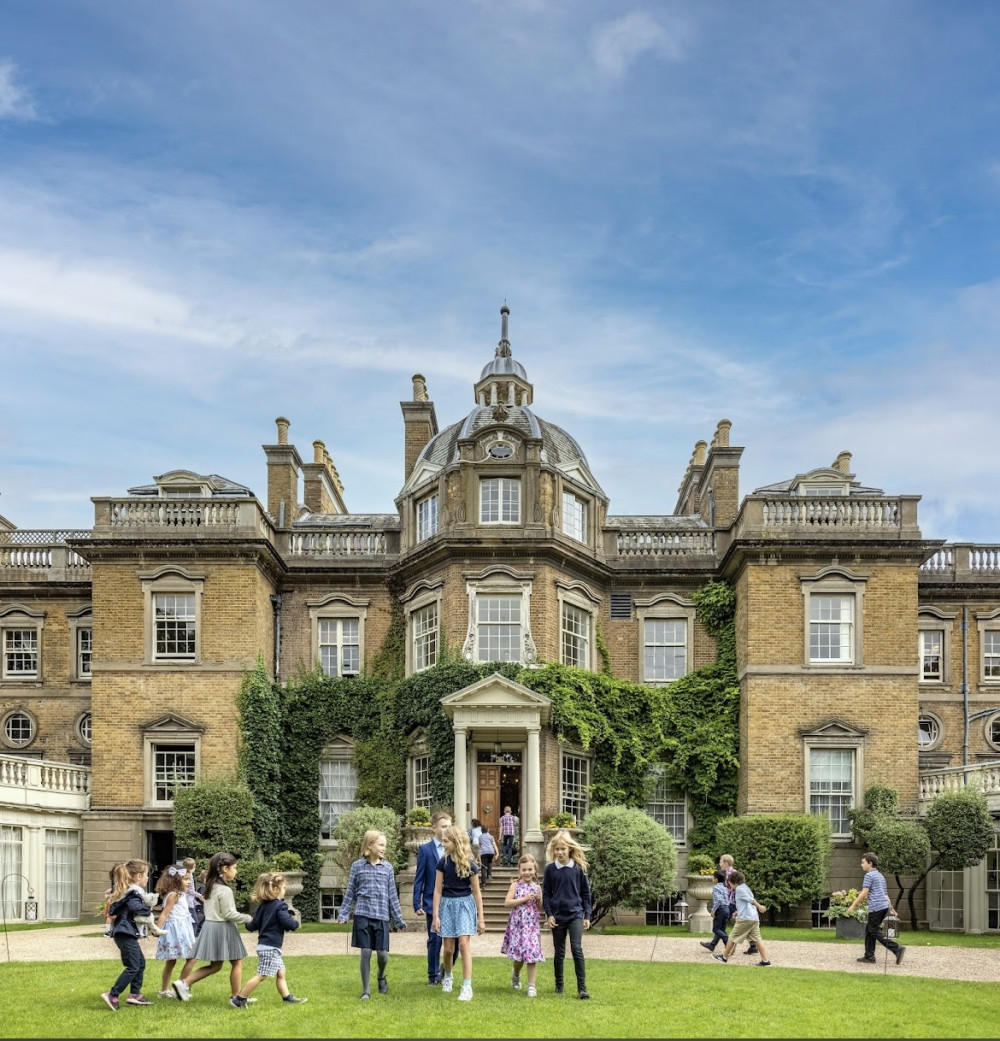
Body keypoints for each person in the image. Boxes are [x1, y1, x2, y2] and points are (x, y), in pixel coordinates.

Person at [172, 852, 252, 1002]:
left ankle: (184, 983)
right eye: (234, 867)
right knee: (237, 961)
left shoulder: (211, 885)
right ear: (224, 869)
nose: (236, 871)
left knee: (216, 966)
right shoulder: (225, 890)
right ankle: (237, 997)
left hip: (211, 926)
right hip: (223, 928)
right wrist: (248, 918)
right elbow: (229, 913)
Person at [338, 830, 407, 1000]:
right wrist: (344, 913)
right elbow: (351, 892)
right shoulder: (357, 866)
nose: (384, 848)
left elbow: (392, 895)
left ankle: (381, 976)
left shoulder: (388, 868)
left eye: (385, 845)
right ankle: (366, 990)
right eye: (381, 845)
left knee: (383, 955)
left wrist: (398, 919)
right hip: (362, 915)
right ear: (370, 846)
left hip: (382, 917)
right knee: (366, 952)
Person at [231, 871, 307, 1007]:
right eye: (283, 888)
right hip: (271, 947)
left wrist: (248, 923)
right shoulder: (280, 905)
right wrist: (294, 922)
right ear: (276, 889)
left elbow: (252, 925)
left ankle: (287, 997)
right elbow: (287, 923)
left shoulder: (262, 906)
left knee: (281, 972)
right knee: (262, 975)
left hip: (264, 946)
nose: (284, 890)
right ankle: (240, 999)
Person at [432, 823, 487, 1001]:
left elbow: (477, 892)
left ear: (456, 841)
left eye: (446, 840)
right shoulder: (443, 862)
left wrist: (481, 919)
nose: (444, 843)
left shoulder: (471, 864)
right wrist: (435, 916)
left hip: (464, 904)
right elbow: (437, 890)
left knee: (463, 944)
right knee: (448, 949)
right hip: (446, 905)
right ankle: (448, 975)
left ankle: (467, 986)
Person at [542, 829, 591, 999]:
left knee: (577, 949)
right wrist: (549, 914)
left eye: (563, 849)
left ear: (569, 849)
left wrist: (587, 916)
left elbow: (585, 894)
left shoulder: (578, 869)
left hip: (575, 914)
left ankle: (582, 988)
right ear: (553, 851)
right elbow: (546, 894)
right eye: (557, 849)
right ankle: (559, 985)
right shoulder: (550, 870)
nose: (560, 852)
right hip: (557, 916)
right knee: (559, 952)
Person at [101, 859, 155, 1011]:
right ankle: (112, 994)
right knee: (133, 966)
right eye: (146, 875)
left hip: (126, 933)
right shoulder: (133, 893)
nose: (147, 878)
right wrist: (148, 909)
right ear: (138, 876)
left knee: (140, 963)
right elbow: (135, 907)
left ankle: (135, 995)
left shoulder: (130, 891)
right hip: (125, 933)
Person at [845, 852, 905, 966]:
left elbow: (864, 893)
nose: (861, 865)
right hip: (883, 907)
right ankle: (869, 956)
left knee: (873, 931)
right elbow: (885, 895)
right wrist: (891, 908)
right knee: (869, 930)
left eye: (863, 862)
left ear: (870, 863)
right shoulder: (880, 875)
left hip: (876, 908)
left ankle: (897, 949)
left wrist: (852, 906)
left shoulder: (869, 875)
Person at [413, 809, 451, 985]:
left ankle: (446, 967)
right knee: (434, 940)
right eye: (444, 826)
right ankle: (433, 975)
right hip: (431, 901)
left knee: (455, 943)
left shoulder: (454, 848)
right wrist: (416, 902)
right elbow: (419, 877)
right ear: (434, 828)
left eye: (449, 826)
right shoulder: (426, 850)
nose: (447, 829)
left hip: (452, 900)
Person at [501, 853, 545, 997]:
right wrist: (524, 898)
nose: (527, 873)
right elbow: (507, 903)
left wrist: (539, 900)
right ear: (519, 870)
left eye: (530, 870)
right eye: (524, 870)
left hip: (531, 925)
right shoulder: (515, 885)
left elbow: (540, 909)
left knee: (532, 953)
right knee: (519, 957)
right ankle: (516, 974)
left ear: (534, 870)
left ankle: (531, 986)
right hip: (518, 924)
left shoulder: (537, 886)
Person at [153, 864, 197, 999]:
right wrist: (156, 929)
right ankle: (180, 986)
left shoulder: (180, 894)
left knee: (172, 961)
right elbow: (164, 914)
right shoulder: (174, 895)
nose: (189, 882)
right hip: (177, 931)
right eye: (186, 879)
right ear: (176, 881)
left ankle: (165, 990)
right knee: (192, 958)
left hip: (183, 928)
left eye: (189, 879)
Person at [712, 870, 771, 966]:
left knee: (732, 937)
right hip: (754, 918)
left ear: (734, 882)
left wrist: (759, 906)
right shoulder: (746, 887)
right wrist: (737, 912)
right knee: (757, 939)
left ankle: (724, 957)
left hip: (745, 919)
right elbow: (746, 903)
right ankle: (765, 961)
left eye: (730, 883)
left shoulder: (739, 889)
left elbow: (750, 900)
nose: (729, 886)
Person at [699, 869, 732, 954]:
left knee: (716, 929)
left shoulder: (716, 888)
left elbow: (718, 901)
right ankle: (713, 945)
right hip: (727, 909)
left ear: (716, 879)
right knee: (721, 929)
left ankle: (727, 941)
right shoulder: (725, 888)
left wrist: (713, 911)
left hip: (720, 910)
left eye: (713, 878)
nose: (712, 879)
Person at [180, 856, 205, 936]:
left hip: (188, 901)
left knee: (191, 921)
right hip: (189, 902)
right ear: (193, 866)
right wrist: (200, 896)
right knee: (194, 922)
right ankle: (192, 940)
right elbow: (190, 890)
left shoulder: (183, 874)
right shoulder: (189, 875)